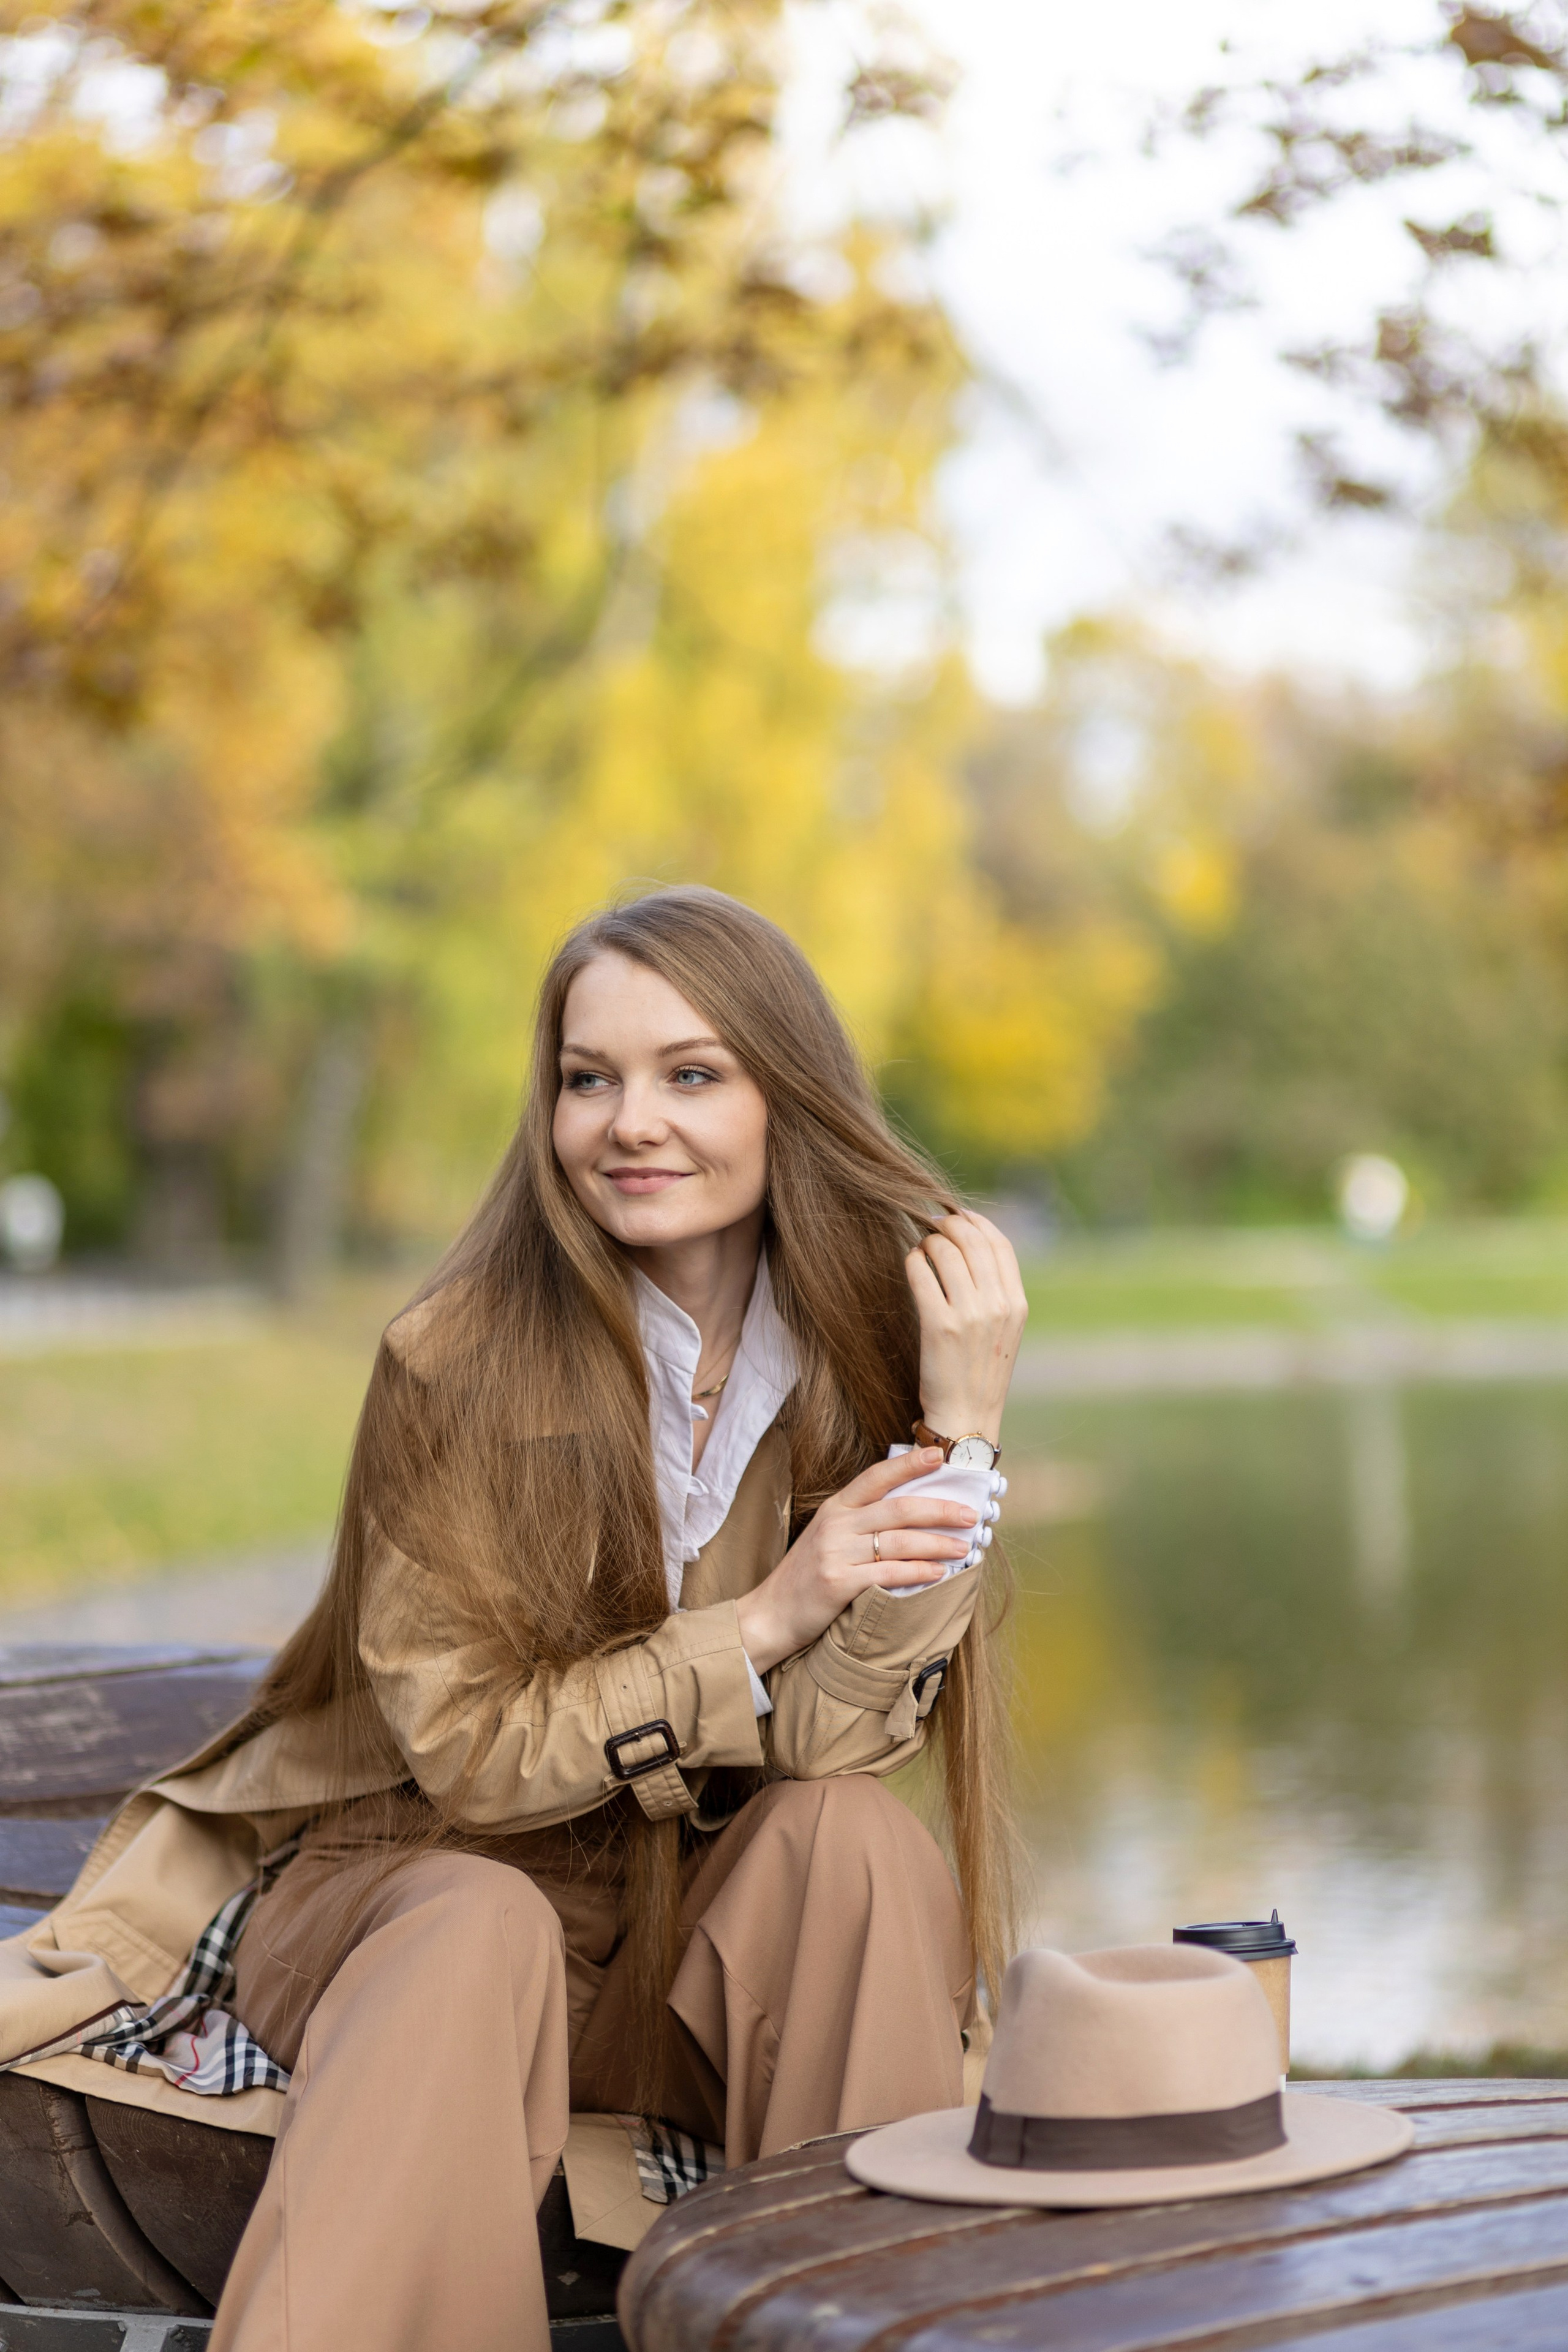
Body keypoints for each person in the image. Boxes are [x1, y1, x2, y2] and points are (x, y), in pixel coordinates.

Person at [13, 887, 1028, 2352]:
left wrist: (963, 1431)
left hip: (674, 1948)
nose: (630, 1121)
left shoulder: (858, 1355)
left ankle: (863, 2317)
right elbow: (475, 1759)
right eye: (586, 1078)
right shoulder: (457, 1362)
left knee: (852, 1842)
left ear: (782, 1098)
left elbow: (825, 1744)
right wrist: (764, 1614)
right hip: (412, 1898)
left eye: (690, 1074)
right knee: (476, 1915)